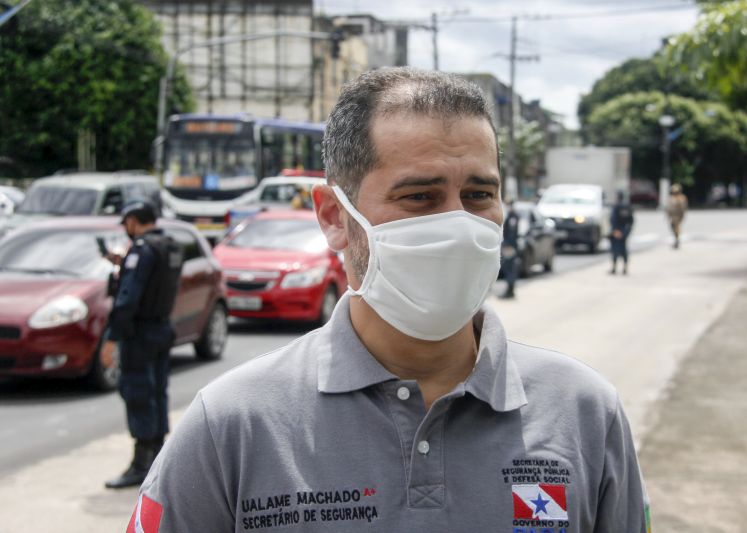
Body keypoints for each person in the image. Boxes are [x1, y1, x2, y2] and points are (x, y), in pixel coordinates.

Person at [128, 68, 650, 532]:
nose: (458, 225)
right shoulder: (233, 425)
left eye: (479, 195)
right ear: (334, 216)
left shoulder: (583, 413)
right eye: (420, 197)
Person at [105, 200, 183, 490]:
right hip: (162, 328)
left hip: (140, 334)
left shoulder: (141, 250)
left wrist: (111, 338)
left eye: (127, 223)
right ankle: (159, 459)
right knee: (157, 393)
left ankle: (141, 464)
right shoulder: (169, 246)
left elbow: (127, 298)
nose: (126, 229)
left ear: (135, 221)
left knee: (138, 393)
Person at [609, 190, 634, 275]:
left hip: (617, 232)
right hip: (624, 232)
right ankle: (625, 268)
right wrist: (626, 232)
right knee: (623, 250)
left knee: (615, 250)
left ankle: (614, 268)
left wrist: (616, 231)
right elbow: (631, 221)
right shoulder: (627, 207)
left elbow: (613, 220)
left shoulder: (616, 207)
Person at [500, 198, 521, 298]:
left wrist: (508, 244)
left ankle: (510, 291)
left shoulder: (513, 216)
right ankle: (509, 290)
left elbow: (512, 233)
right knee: (508, 267)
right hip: (509, 245)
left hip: (510, 246)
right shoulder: (511, 215)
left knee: (509, 268)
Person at [665, 183, 688, 249]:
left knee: (676, 227)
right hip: (672, 215)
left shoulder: (681, 198)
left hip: (678, 215)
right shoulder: (671, 198)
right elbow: (668, 207)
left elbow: (683, 208)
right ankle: (676, 238)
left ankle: (677, 240)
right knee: (673, 227)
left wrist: (682, 215)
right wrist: (668, 215)